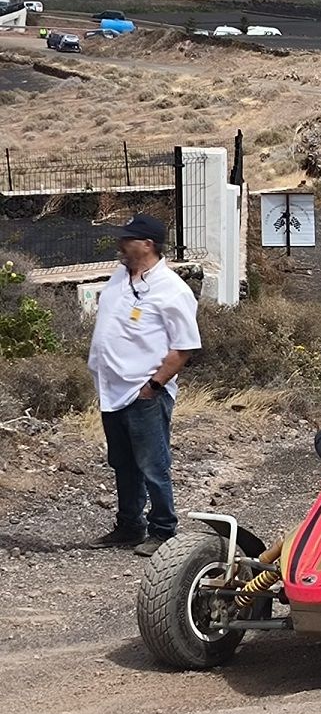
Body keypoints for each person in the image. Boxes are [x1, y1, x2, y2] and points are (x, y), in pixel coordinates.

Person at [87, 214, 202, 556]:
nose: (121, 244)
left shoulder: (172, 289)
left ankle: (164, 530)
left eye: (128, 239)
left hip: (144, 392)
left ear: (148, 244)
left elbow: (184, 347)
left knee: (153, 465)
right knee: (122, 462)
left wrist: (153, 385)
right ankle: (129, 526)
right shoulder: (120, 277)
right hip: (112, 391)